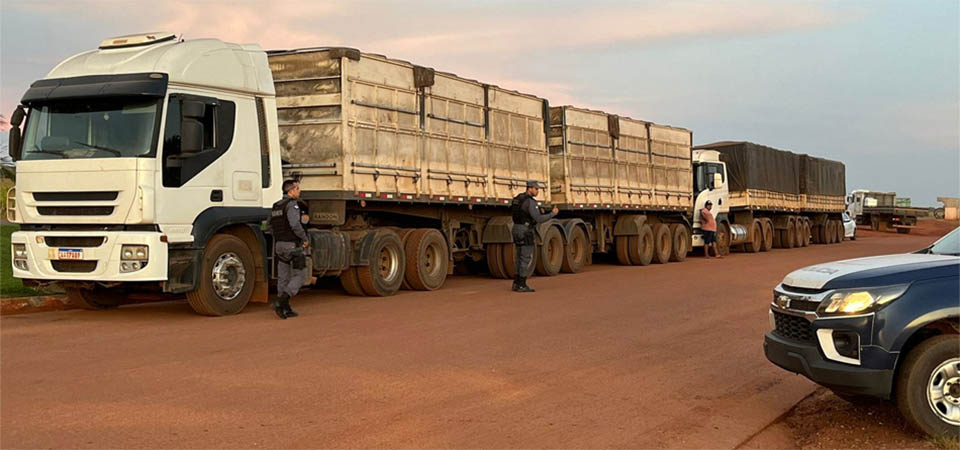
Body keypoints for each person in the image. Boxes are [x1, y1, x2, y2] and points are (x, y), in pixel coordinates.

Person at [269, 179, 309, 318]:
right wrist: (304, 238)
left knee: (283, 277)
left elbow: (270, 226)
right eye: (298, 189)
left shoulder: (276, 206)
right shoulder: (292, 205)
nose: (300, 191)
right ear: (291, 190)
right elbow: (295, 225)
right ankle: (282, 301)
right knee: (300, 275)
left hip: (279, 245)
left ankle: (285, 308)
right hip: (292, 245)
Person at [510, 181, 559, 292]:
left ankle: (516, 283)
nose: (537, 191)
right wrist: (552, 214)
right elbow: (539, 219)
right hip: (526, 230)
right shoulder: (530, 202)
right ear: (530, 188)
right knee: (525, 258)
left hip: (516, 228)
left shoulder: (517, 199)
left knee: (518, 257)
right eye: (536, 189)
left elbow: (521, 213)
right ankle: (522, 284)